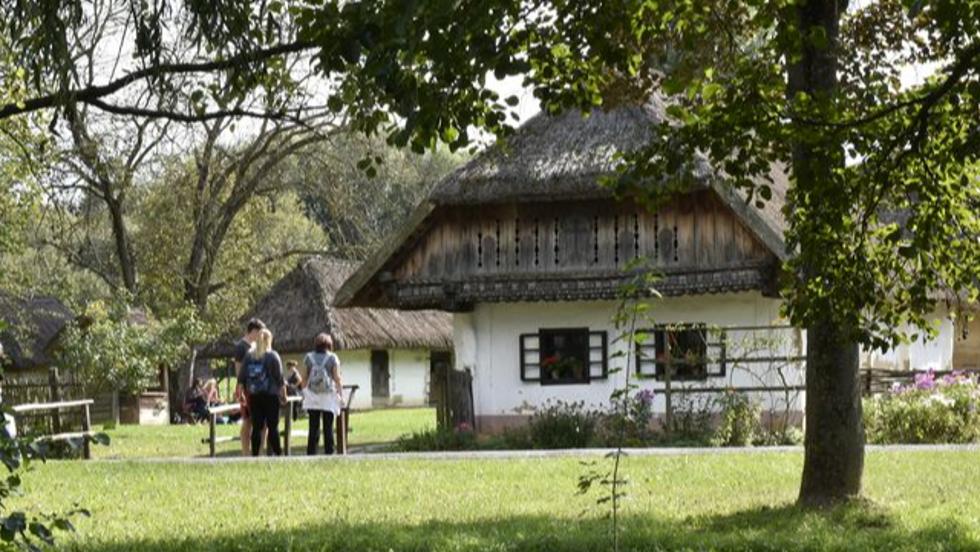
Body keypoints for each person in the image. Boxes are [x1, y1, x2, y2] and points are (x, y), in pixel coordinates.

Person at [238, 328, 286, 456]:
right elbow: (279, 378)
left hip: (255, 395)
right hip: (271, 395)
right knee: (272, 426)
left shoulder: (249, 355)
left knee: (257, 427)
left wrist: (241, 393)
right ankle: (278, 453)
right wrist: (284, 394)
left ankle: (255, 454)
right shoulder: (273, 356)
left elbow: (242, 377)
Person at [302, 333, 344, 455]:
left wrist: (304, 392)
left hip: (312, 395)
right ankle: (329, 452)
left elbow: (304, 377)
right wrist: (340, 394)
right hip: (328, 396)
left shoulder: (308, 357)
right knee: (328, 426)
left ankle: (311, 453)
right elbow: (337, 378)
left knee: (313, 426)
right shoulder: (333, 358)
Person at [233, 319, 265, 456]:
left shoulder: (256, 347)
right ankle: (246, 453)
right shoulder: (241, 347)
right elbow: (238, 371)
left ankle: (260, 451)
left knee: (261, 421)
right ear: (253, 331)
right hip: (247, 389)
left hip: (259, 389)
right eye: (259, 333)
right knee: (248, 421)